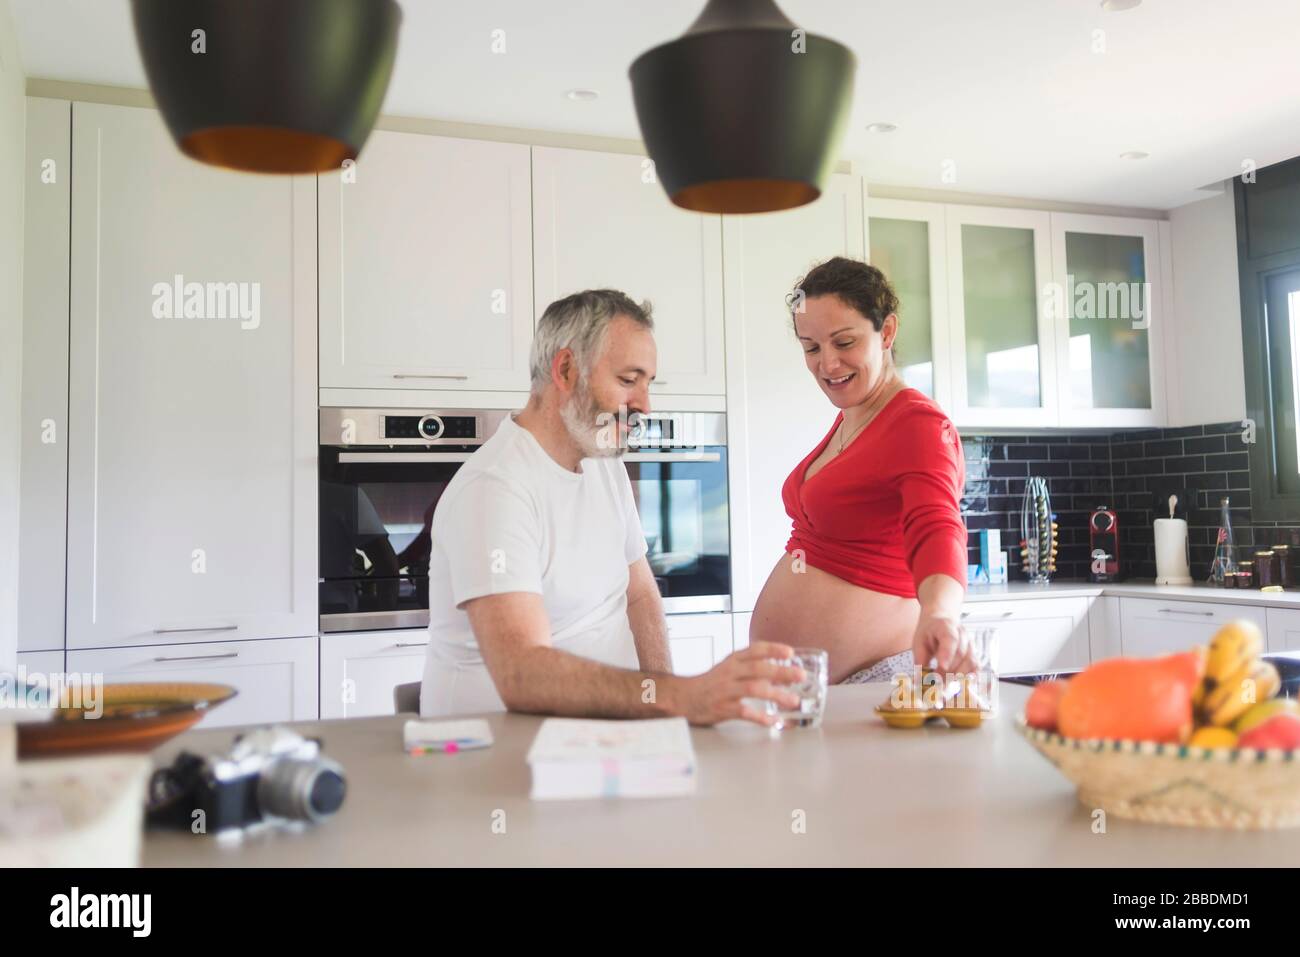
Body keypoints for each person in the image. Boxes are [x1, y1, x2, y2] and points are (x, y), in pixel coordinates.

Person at [420, 289, 804, 724]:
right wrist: (682, 697)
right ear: (565, 369)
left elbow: (638, 594)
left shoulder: (603, 463)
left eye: (648, 383)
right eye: (628, 380)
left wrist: (666, 708)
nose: (644, 404)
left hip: (605, 736)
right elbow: (521, 673)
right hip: (499, 756)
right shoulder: (495, 489)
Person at [749, 257, 977, 684]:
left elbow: (938, 524)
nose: (828, 364)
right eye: (812, 348)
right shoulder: (853, 415)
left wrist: (941, 613)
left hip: (874, 680)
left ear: (886, 332)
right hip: (811, 690)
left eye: (844, 342)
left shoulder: (918, 425)